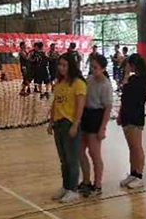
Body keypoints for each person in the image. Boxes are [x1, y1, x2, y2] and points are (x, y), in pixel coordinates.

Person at [48, 53, 87, 203]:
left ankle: (73, 190)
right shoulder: (59, 83)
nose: (61, 68)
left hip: (69, 123)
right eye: (60, 65)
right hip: (58, 124)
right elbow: (55, 103)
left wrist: (75, 124)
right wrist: (51, 122)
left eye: (64, 65)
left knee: (71, 159)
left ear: (71, 66)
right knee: (63, 159)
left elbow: (80, 106)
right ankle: (66, 186)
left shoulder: (78, 83)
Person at [78, 53, 113, 198]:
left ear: (103, 69)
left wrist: (102, 128)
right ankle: (86, 181)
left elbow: (108, 108)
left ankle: (97, 185)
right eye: (91, 67)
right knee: (80, 150)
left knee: (94, 153)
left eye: (96, 68)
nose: (93, 70)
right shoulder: (90, 79)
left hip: (97, 116)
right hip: (85, 115)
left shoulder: (106, 85)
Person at [118, 54, 146, 189]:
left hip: (135, 115)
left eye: (128, 65)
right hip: (126, 114)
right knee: (131, 147)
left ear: (132, 66)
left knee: (137, 146)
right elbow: (124, 97)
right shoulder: (132, 79)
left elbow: (130, 94)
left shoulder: (142, 81)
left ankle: (139, 175)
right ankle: (133, 172)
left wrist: (126, 75)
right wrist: (120, 114)